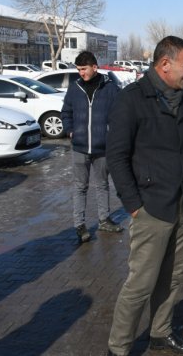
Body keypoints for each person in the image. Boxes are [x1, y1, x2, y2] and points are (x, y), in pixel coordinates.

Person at [106, 36, 183, 356]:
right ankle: (118, 348)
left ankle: (160, 333)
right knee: (141, 284)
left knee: (173, 277)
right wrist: (134, 205)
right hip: (151, 207)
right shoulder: (131, 100)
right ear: (165, 65)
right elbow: (117, 157)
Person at [61, 50, 122, 243]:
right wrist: (70, 130)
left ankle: (104, 219)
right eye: (78, 69)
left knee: (103, 185)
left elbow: (121, 114)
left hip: (102, 148)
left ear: (94, 67)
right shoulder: (74, 88)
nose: (81, 73)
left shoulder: (110, 89)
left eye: (83, 69)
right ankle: (79, 225)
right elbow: (66, 112)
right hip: (79, 148)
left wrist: (113, 135)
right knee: (80, 187)